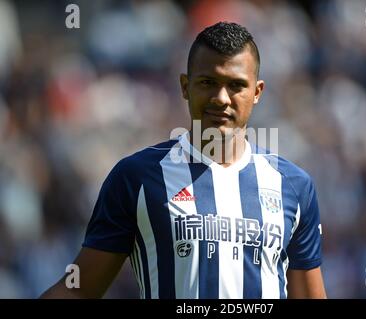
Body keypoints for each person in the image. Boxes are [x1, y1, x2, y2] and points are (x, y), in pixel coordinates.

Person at [40, 22, 326, 299]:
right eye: (208, 82)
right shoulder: (137, 178)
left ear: (257, 92)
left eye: (236, 85)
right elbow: (78, 289)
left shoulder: (293, 186)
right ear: (185, 86)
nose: (221, 98)